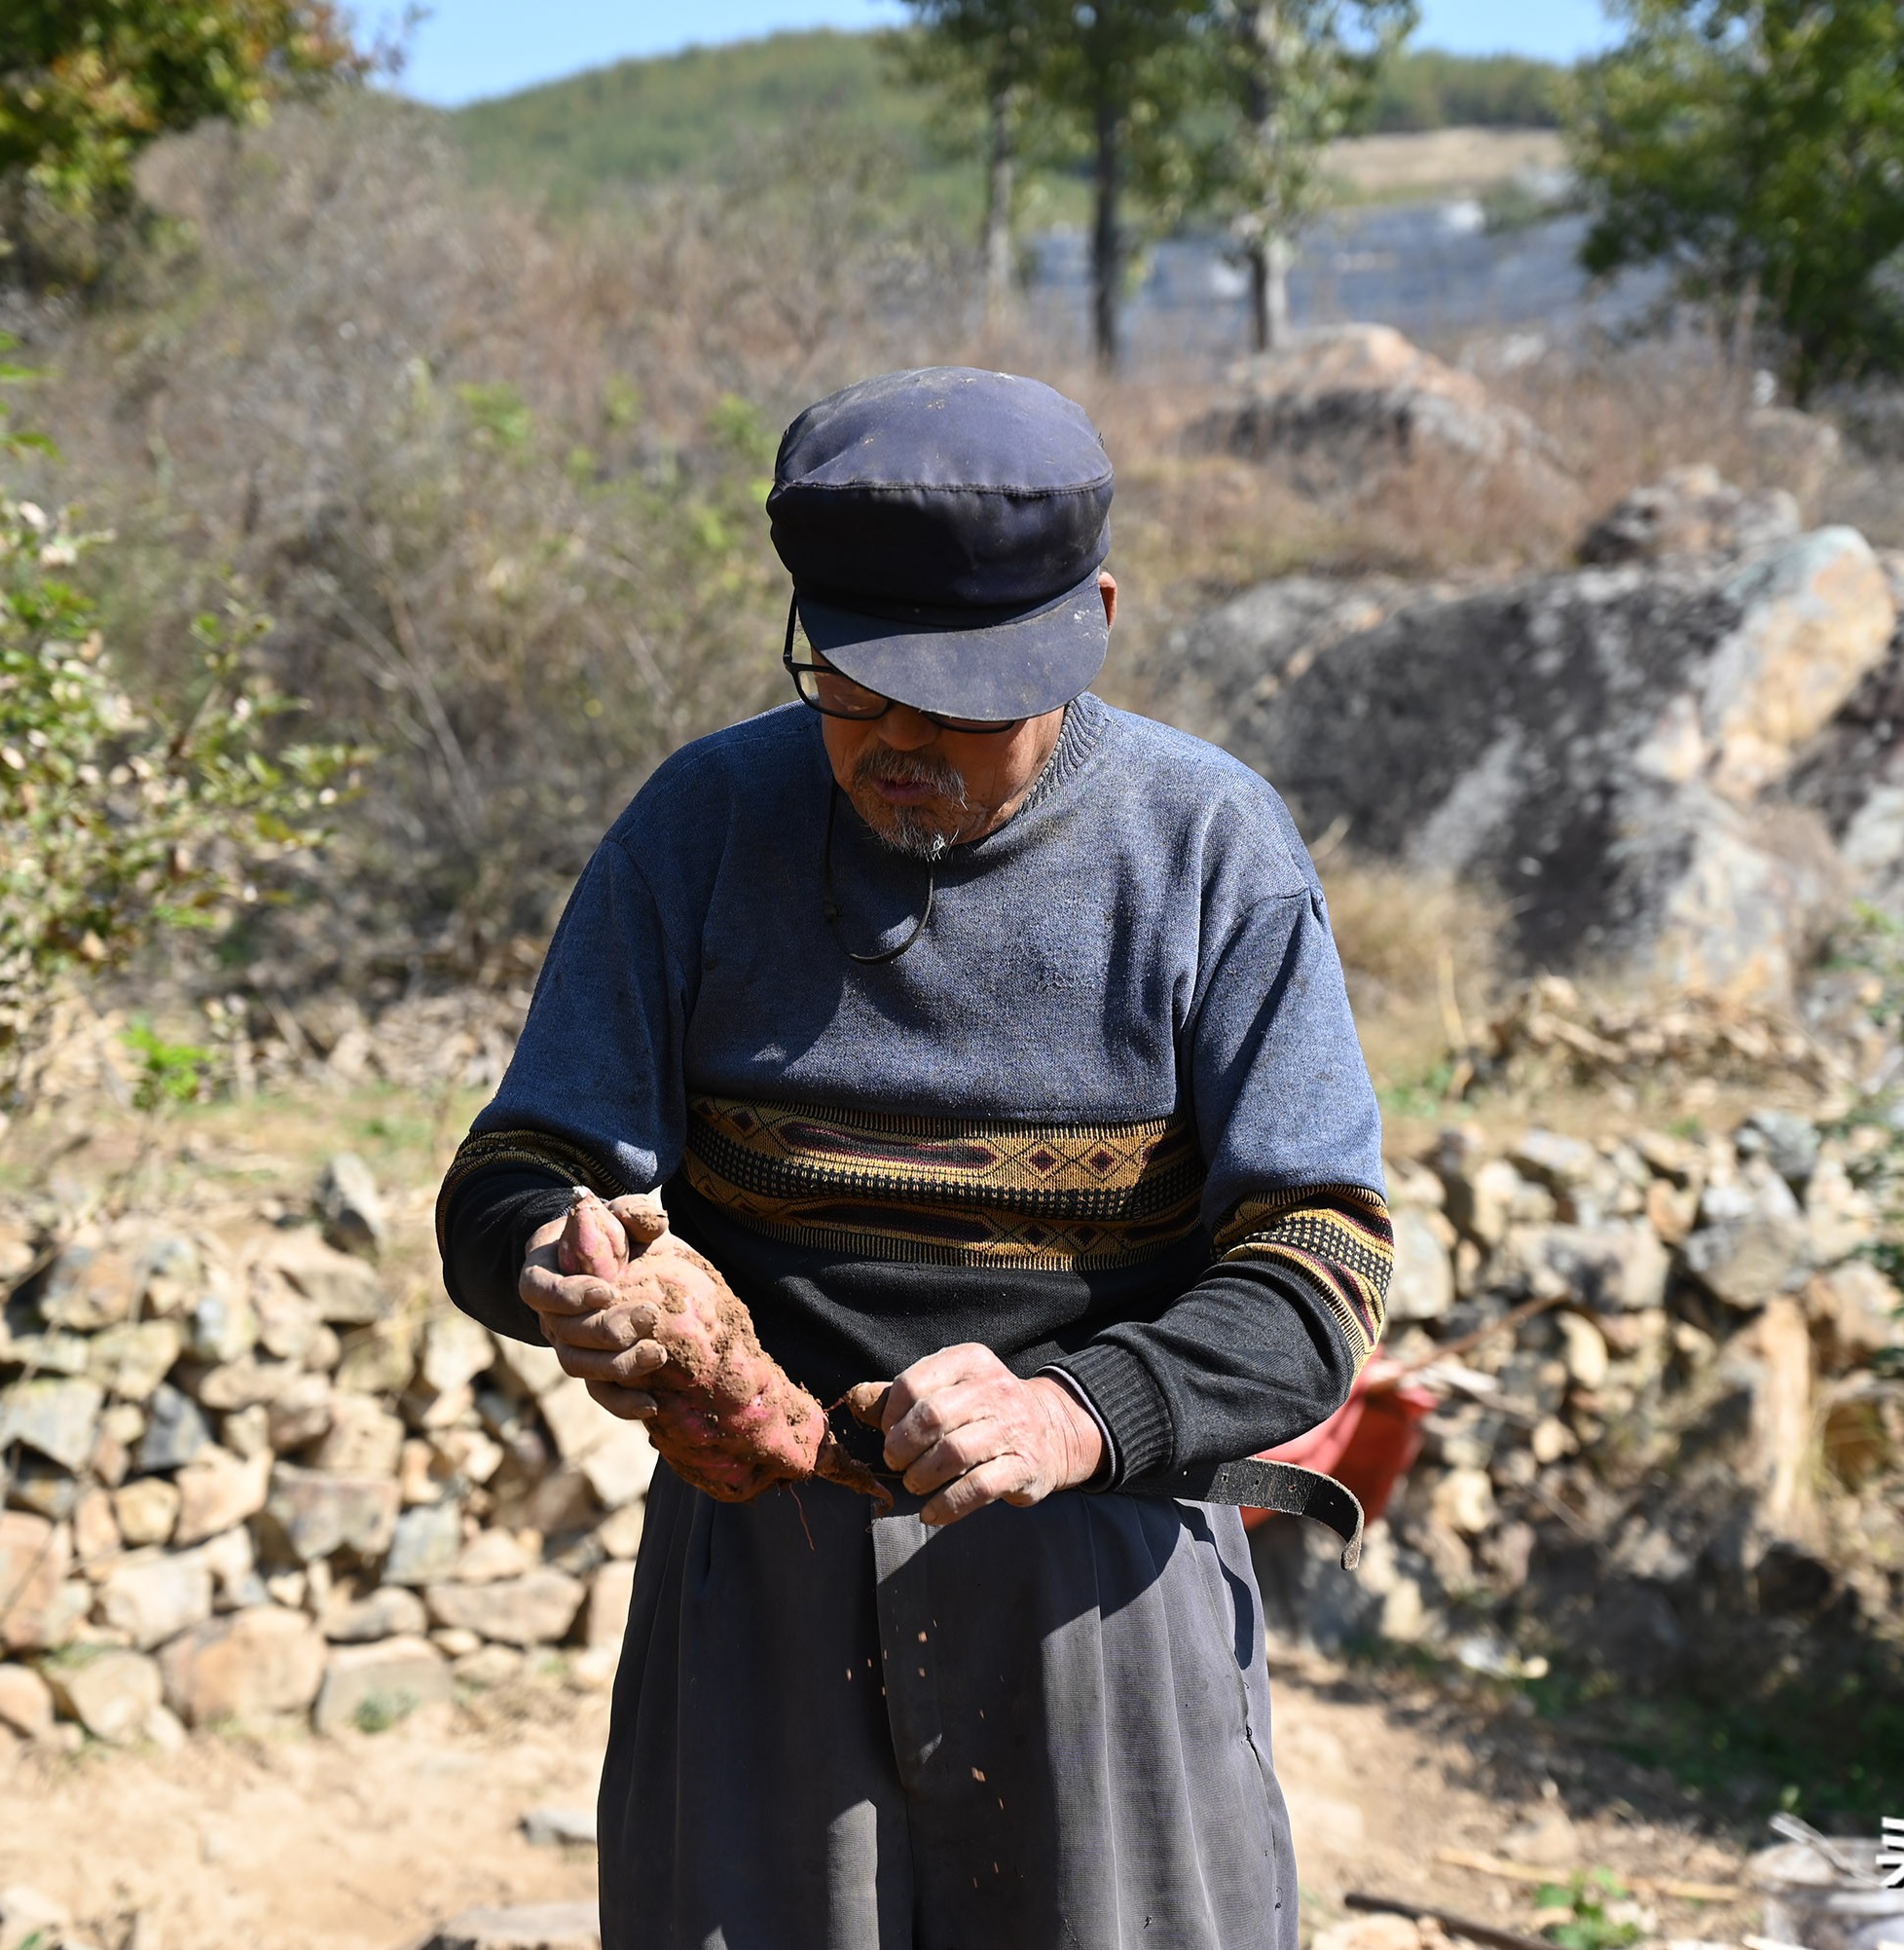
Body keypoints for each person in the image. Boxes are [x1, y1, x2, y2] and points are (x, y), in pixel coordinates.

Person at [436, 366, 1391, 1950]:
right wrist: (565, 1263)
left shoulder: (1208, 849)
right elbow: (518, 1166)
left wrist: (1072, 1413)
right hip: (759, 1565)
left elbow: (1319, 1268)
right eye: (857, 693)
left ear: (1090, 620)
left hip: (1101, 1573)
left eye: (962, 707)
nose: (899, 746)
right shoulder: (704, 827)